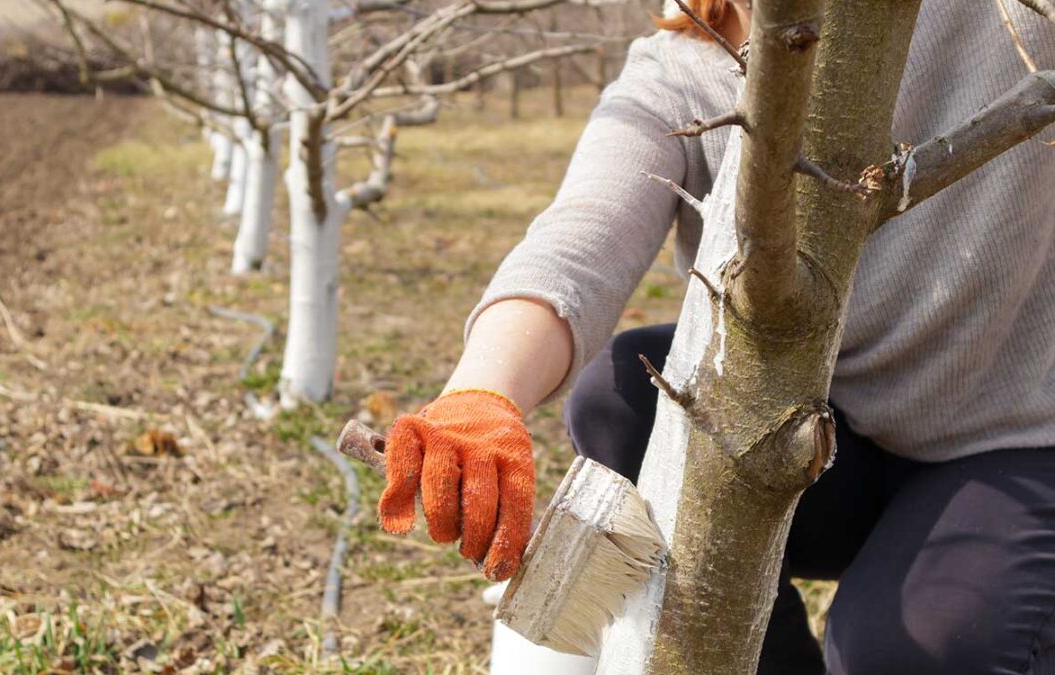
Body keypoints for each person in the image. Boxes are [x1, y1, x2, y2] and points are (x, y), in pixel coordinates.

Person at [375, 1, 1055, 673]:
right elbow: (579, 240)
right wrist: (480, 394)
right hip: (826, 436)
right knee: (621, 397)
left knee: (910, 653)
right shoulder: (686, 63)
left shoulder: (997, 17)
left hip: (1017, 439)